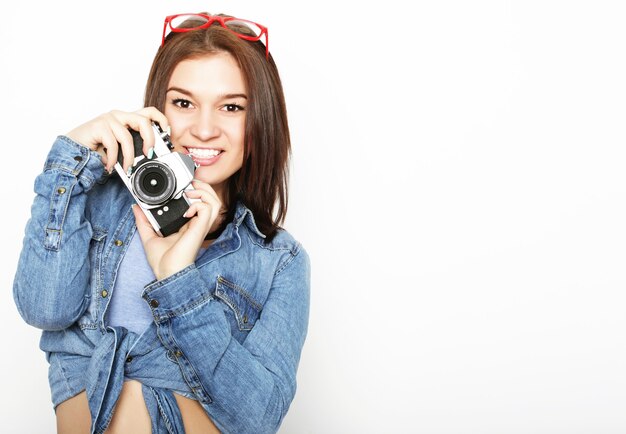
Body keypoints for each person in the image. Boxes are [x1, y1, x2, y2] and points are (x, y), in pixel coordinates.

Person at [13, 12, 310, 434]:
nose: (204, 129)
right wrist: (69, 162)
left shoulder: (279, 260)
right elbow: (44, 308)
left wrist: (177, 282)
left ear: (260, 120)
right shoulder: (97, 204)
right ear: (157, 109)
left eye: (231, 107)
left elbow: (260, 418)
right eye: (184, 103)